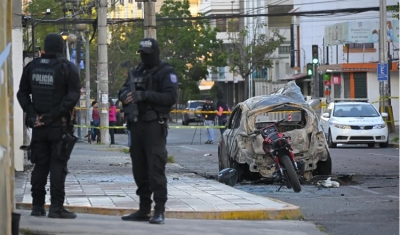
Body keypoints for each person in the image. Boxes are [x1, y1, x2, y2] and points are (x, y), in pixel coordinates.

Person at [16, 33, 81, 219]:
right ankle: (56, 207)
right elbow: (72, 97)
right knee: (58, 166)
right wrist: (50, 116)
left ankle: (37, 206)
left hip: (38, 127)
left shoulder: (32, 66)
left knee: (40, 166)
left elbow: (22, 93)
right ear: (61, 47)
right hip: (58, 126)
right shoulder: (67, 68)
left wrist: (32, 114)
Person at [118, 38, 178, 224]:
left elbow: (170, 97)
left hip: (154, 126)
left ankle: (159, 210)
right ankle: (144, 209)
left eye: (147, 54)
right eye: (142, 54)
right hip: (136, 125)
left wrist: (144, 95)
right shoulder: (136, 71)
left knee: (156, 169)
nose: (144, 57)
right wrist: (125, 98)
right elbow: (122, 90)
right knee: (139, 170)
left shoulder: (166, 72)